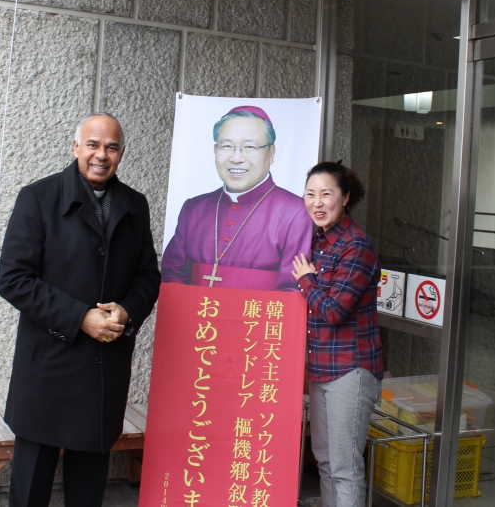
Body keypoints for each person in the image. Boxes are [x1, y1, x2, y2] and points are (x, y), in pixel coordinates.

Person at [0, 113, 161, 507]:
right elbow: (13, 279)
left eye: (111, 147)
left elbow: (147, 276)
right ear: (76, 147)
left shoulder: (135, 205)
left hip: (103, 371)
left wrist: (127, 310)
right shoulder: (38, 197)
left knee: (87, 492)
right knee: (30, 491)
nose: (101, 155)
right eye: (93, 144)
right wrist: (79, 317)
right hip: (47, 369)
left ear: (122, 153)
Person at [291, 162, 383, 507]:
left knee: (345, 467)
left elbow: (333, 311)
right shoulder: (315, 240)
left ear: (344, 198)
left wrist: (306, 280)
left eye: (326, 194)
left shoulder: (356, 245)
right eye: (310, 194)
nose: (317, 202)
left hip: (350, 370)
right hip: (320, 367)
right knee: (326, 462)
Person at [161, 106, 311, 290]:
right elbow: (172, 275)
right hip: (196, 310)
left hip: (257, 310)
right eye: (226, 146)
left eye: (249, 147)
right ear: (215, 150)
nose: (236, 158)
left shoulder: (295, 212)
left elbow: (292, 290)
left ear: (271, 153)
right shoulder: (194, 208)